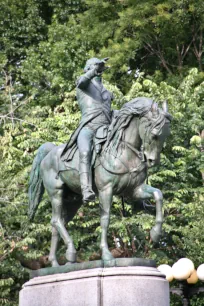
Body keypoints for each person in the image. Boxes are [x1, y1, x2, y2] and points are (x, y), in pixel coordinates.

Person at [61, 57, 114, 203]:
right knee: (85, 152)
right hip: (88, 128)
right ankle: (86, 189)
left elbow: (110, 112)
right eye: (94, 67)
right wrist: (93, 70)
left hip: (105, 129)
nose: (98, 69)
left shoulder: (107, 93)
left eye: (99, 67)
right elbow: (83, 80)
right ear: (88, 69)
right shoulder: (83, 85)